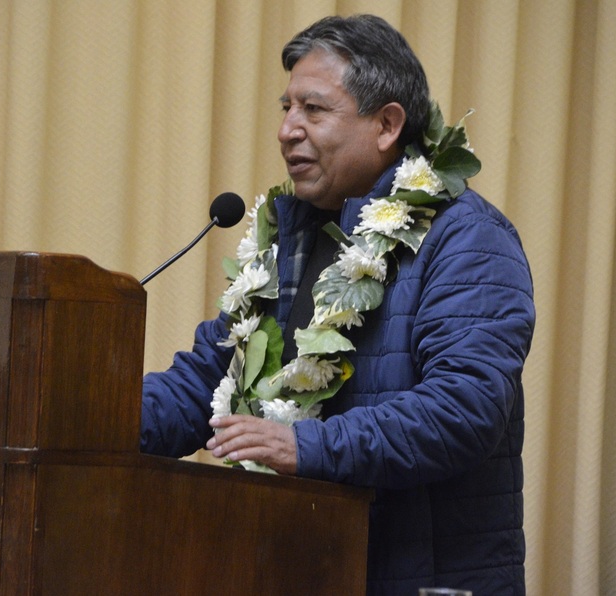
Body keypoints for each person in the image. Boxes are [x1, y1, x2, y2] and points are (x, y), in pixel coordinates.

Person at [141, 14, 534, 596]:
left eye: (313, 110)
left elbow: (465, 408)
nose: (286, 130)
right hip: (300, 568)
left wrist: (304, 447)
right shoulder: (289, 241)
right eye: (286, 108)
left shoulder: (466, 237)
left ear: (386, 124)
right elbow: (204, 381)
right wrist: (81, 413)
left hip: (420, 578)